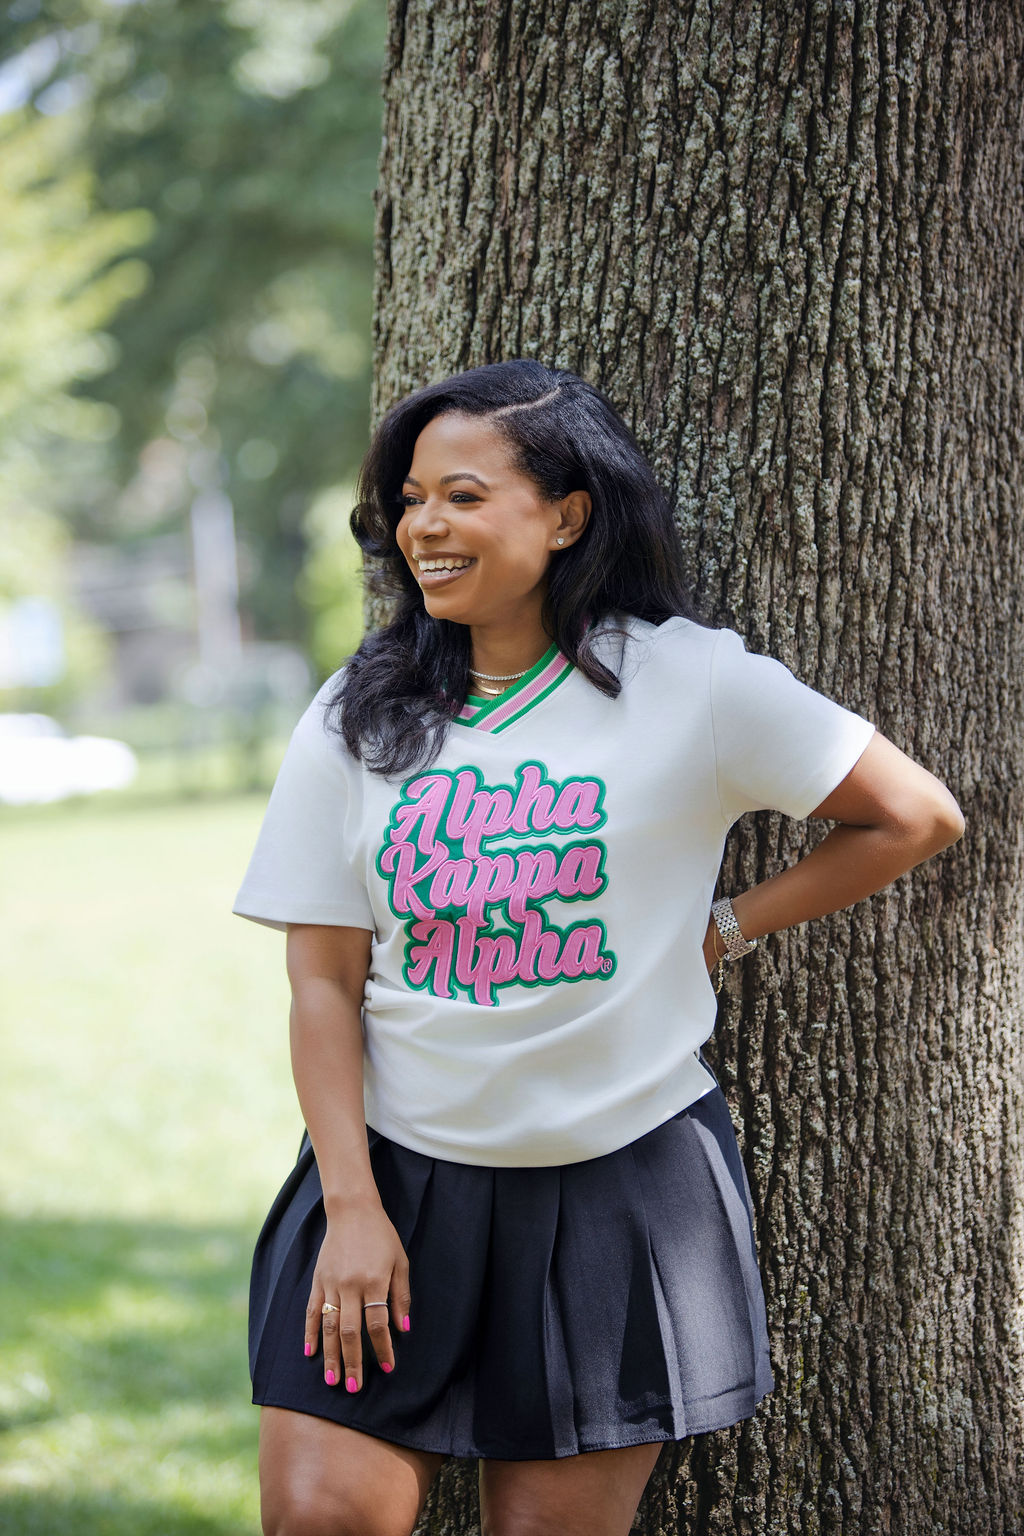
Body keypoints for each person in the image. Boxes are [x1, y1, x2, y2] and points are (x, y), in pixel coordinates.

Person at [232, 359, 964, 1536]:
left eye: (464, 495)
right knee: (319, 1519)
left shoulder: (691, 683)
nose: (426, 524)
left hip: (620, 1197)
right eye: (411, 498)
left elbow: (913, 816)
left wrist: (725, 926)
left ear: (566, 515)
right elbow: (321, 979)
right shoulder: (357, 711)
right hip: (394, 1181)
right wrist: (352, 1207)